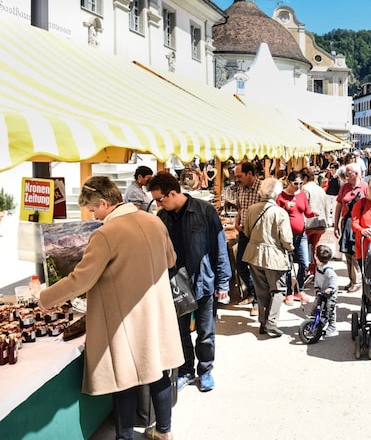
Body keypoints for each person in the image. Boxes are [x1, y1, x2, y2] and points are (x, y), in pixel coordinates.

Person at [37, 176, 182, 440]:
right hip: (156, 311)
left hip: (124, 317)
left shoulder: (105, 233)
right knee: (159, 370)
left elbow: (81, 279)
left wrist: (45, 298)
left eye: (93, 210)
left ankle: (125, 437)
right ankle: (164, 432)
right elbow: (171, 259)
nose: (94, 215)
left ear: (104, 203)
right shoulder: (154, 221)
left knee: (124, 379)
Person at [148, 172, 232, 393]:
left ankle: (205, 371)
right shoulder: (161, 218)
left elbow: (219, 248)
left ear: (173, 193)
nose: (158, 203)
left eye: (160, 199)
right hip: (175, 284)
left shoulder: (205, 211)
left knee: (206, 332)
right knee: (180, 332)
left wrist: (223, 283)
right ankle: (186, 370)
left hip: (203, 281)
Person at [242, 178, 293, 338]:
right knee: (278, 289)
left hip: (254, 254)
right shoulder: (280, 212)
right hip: (274, 256)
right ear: (277, 193)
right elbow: (286, 239)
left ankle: (263, 323)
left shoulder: (251, 209)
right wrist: (290, 249)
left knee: (261, 290)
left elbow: (247, 231)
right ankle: (271, 323)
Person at [277, 170, 315, 305]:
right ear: (289, 182)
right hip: (286, 235)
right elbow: (276, 213)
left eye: (300, 183)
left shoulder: (302, 194)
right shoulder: (281, 196)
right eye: (295, 183)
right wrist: (285, 206)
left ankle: (299, 290)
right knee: (288, 265)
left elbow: (306, 211)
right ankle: (288, 292)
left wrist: (312, 214)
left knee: (304, 263)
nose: (298, 186)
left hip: (301, 234)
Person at [334, 163, 369, 293]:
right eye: (346, 173)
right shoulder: (345, 187)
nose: (346, 176)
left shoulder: (365, 187)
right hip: (346, 221)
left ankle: (357, 280)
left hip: (359, 223)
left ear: (357, 174)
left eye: (349, 173)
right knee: (347, 252)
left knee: (355, 252)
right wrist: (336, 224)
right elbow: (338, 205)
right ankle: (351, 279)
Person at [234, 161, 262, 315]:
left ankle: (257, 302)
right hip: (244, 232)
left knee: (256, 268)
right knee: (241, 265)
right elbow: (241, 208)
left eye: (240, 176)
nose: (238, 179)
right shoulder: (240, 188)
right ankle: (252, 292)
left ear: (249, 174)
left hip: (257, 234)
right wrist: (237, 221)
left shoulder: (262, 189)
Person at [302, 167, 328, 277]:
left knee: (306, 247)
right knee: (315, 247)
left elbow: (304, 205)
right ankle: (316, 269)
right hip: (320, 222)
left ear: (304, 178)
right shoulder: (320, 189)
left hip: (309, 222)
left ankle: (309, 270)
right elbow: (326, 205)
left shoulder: (304, 189)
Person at [313, 244, 339, 336]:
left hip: (330, 293)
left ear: (316, 257)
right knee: (317, 305)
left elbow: (334, 279)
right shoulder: (318, 266)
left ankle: (332, 327)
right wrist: (316, 287)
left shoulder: (328, 269)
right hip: (322, 290)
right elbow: (317, 277)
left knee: (330, 309)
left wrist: (331, 288)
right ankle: (314, 320)